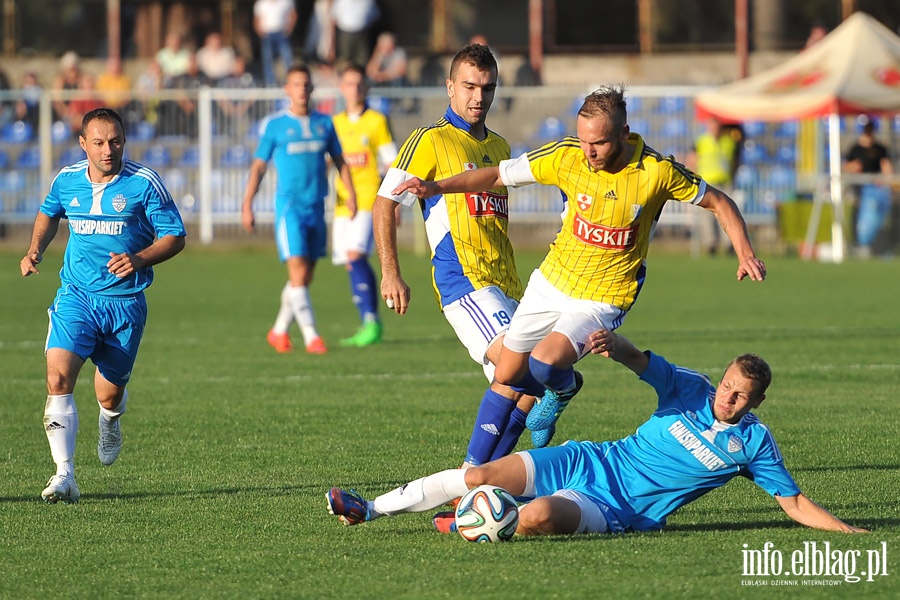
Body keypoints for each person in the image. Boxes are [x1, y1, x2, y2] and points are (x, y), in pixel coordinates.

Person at [390, 84, 767, 454]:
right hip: (552, 280)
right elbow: (495, 175)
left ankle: (563, 388)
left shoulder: (656, 171)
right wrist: (436, 186)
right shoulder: (566, 155)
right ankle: (478, 477)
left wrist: (745, 253)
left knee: (544, 363)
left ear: (623, 133)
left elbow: (719, 201)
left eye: (599, 143)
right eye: (584, 140)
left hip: (604, 296)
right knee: (505, 375)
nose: (589, 151)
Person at [327, 329, 867, 536]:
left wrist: (853, 535)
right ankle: (371, 509)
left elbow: (793, 503)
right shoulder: (689, 388)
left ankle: (470, 523)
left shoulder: (753, 444)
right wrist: (616, 344)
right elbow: (642, 363)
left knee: (534, 516)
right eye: (726, 385)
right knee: (481, 473)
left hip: (620, 509)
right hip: (591, 461)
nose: (724, 397)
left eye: (737, 395)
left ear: (756, 403)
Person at [373, 43, 539, 470]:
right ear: (450, 87)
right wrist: (391, 273)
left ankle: (479, 483)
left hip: (507, 287)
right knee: (519, 369)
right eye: (469, 86)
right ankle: (471, 481)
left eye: (487, 87)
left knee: (530, 389)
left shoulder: (500, 147)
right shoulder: (429, 139)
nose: (478, 97)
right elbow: (384, 202)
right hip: (464, 281)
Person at [19, 107, 186, 504]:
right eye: (98, 142)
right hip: (75, 295)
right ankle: (64, 475)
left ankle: (110, 419)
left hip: (124, 304)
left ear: (124, 141)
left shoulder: (144, 184)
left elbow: (175, 236)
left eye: (115, 141)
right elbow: (49, 213)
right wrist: (35, 249)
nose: (108, 150)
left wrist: (140, 258)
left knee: (108, 395)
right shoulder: (67, 180)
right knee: (58, 379)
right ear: (83, 144)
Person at [241, 63, 357, 355]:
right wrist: (248, 203)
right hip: (289, 208)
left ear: (312, 88)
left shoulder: (325, 123)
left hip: (317, 207)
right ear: (287, 90)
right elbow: (258, 165)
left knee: (305, 277)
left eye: (306, 84)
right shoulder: (276, 125)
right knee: (297, 271)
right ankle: (312, 336)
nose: (302, 90)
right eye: (296, 85)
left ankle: (279, 331)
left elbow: (340, 160)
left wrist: (351, 193)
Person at [331, 63, 398, 347]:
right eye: (349, 84)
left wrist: (394, 204)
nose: (354, 89)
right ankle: (367, 322)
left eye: (359, 84)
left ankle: (371, 320)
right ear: (341, 88)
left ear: (366, 88)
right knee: (350, 262)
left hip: (369, 199)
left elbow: (391, 163)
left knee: (355, 254)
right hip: (341, 203)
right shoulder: (334, 123)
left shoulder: (376, 121)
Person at [687, 117, 741, 255]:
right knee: (708, 215)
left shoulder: (729, 141)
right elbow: (692, 160)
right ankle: (711, 244)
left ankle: (729, 244)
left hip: (725, 181)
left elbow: (734, 160)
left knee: (727, 212)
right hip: (708, 181)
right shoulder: (701, 141)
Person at [844, 120, 894, 257]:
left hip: (876, 190)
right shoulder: (855, 149)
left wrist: (887, 180)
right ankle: (861, 244)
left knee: (877, 217)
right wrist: (854, 167)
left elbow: (887, 167)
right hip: (859, 190)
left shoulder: (879, 148)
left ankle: (876, 246)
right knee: (860, 216)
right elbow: (847, 167)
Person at [254, 0, 298, 87]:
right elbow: (257, 19)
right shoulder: (261, 3)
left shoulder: (286, 2)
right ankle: (271, 83)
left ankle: (291, 81)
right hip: (267, 34)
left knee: (287, 58)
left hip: (281, 33)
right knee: (268, 60)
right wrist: (259, 31)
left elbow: (293, 14)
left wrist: (290, 28)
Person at [327, 0, 380, 67]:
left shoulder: (368, 1)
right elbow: (333, 16)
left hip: (362, 33)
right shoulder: (341, 1)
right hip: (345, 33)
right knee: (345, 58)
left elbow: (375, 15)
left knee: (362, 58)